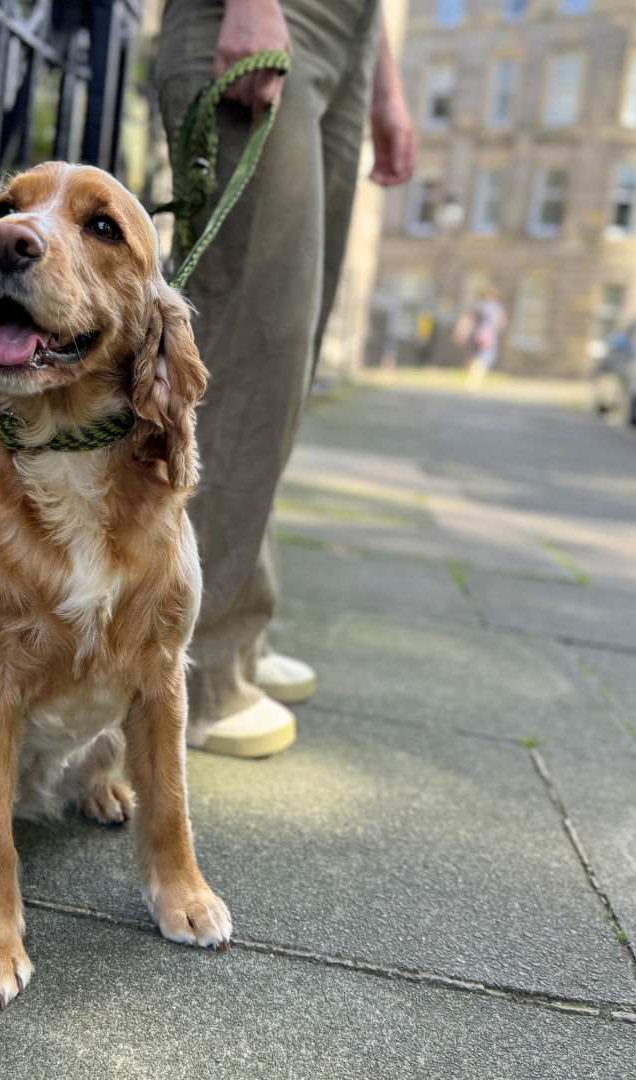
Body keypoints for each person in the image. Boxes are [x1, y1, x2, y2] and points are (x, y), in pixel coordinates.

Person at [155, 0, 415, 757]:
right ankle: (189, 674)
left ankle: (236, 627)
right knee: (247, 344)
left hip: (348, 37)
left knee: (286, 353)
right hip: (267, 15)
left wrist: (385, 87)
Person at [455, 284, 507, 390]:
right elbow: (500, 322)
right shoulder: (493, 307)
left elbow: (467, 320)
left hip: (477, 334)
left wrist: (461, 332)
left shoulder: (479, 306)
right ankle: (473, 381)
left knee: (476, 359)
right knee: (481, 360)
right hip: (487, 336)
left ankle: (472, 380)